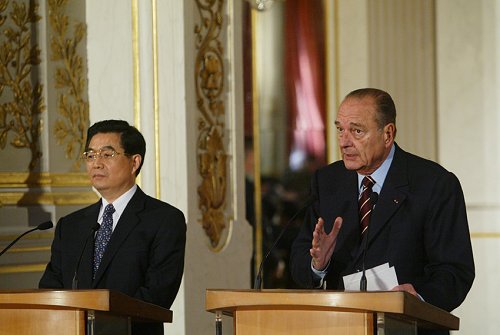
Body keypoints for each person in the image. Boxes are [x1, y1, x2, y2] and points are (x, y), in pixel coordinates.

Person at [290, 88, 474, 334]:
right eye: (340, 129)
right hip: (341, 326)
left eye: (356, 131)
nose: (344, 141)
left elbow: (455, 271)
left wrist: (417, 297)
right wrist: (317, 265)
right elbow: (299, 261)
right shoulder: (327, 181)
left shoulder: (434, 184)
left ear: (388, 134)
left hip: (410, 328)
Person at [39, 120, 186, 334]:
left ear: (134, 162)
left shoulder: (164, 219)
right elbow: (50, 289)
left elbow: (157, 297)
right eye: (90, 155)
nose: (96, 163)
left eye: (107, 155)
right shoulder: (70, 226)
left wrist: (100, 320)